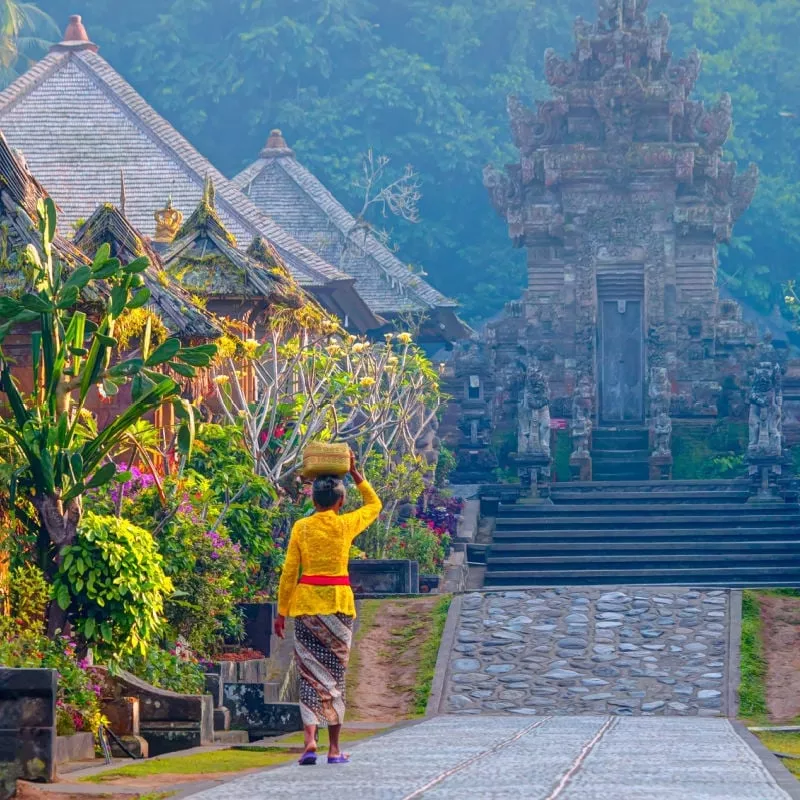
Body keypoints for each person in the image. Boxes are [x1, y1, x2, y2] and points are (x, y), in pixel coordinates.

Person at [274, 451, 382, 766]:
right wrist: (356, 473)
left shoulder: (301, 528)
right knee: (334, 676)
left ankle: (309, 741)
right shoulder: (345, 524)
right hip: (338, 606)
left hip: (306, 605)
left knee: (308, 675)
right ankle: (334, 749)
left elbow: (288, 572)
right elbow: (374, 505)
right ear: (339, 502)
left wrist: (281, 612)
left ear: (315, 500)